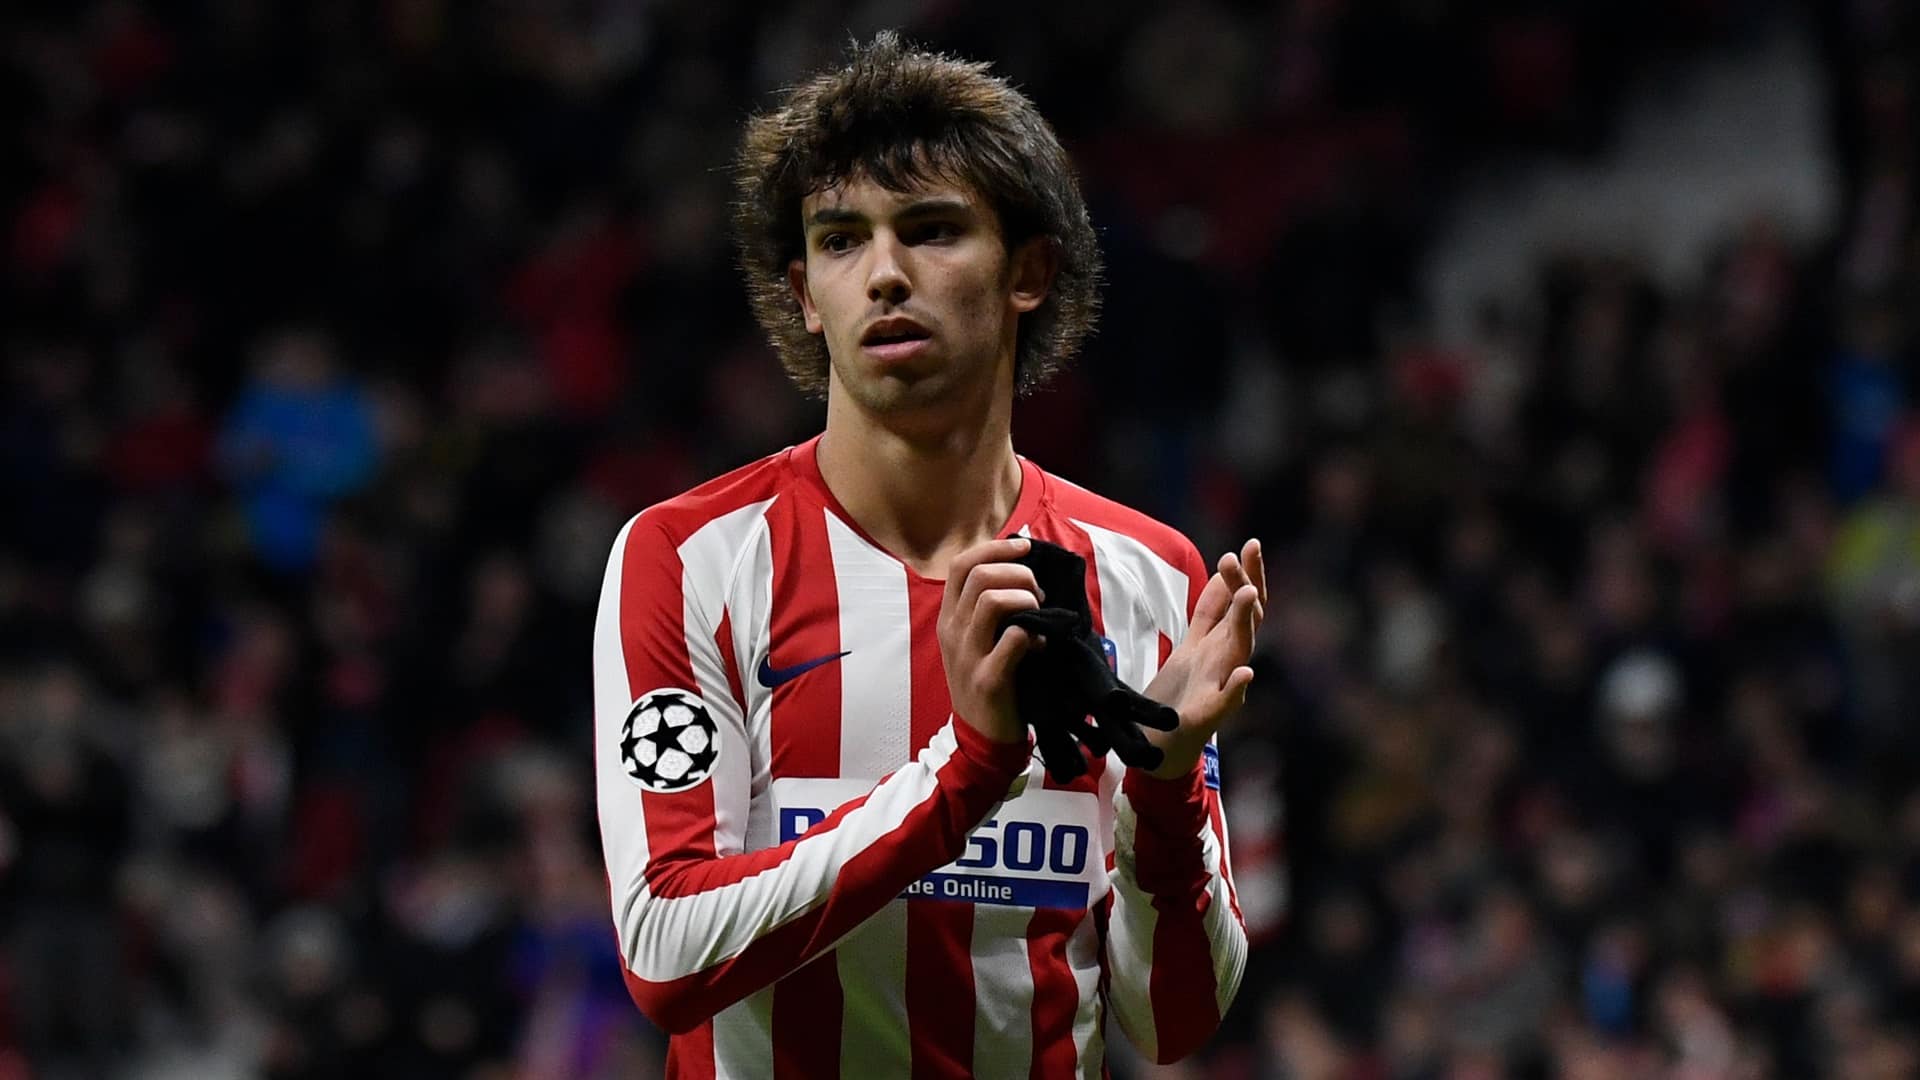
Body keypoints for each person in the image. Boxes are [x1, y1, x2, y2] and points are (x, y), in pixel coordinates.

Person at [592, 31, 1269, 1077]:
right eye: (841, 239)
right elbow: (668, 953)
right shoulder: (688, 562)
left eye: (933, 229)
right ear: (807, 294)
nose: (886, 274)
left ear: (1028, 272)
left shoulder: (1152, 578)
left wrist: (1169, 788)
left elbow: (1168, 1022)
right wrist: (968, 768)